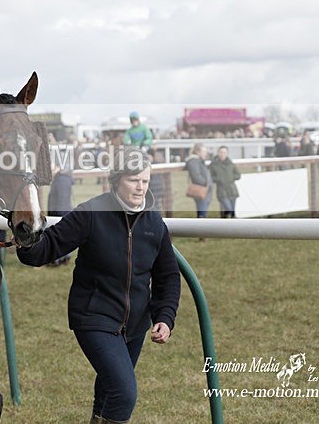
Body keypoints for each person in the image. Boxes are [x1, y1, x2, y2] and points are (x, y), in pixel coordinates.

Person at [16, 148, 180, 423]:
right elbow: (49, 246)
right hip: (94, 317)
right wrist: (26, 241)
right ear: (116, 180)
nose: (140, 187)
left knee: (109, 391)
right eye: (133, 180)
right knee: (124, 393)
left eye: (145, 180)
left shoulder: (154, 222)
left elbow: (168, 276)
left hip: (136, 325)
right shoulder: (91, 213)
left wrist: (165, 317)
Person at [46, 165, 75, 266]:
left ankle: (59, 259)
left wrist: (56, 216)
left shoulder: (61, 180)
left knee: (61, 235)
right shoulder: (60, 179)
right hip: (60, 212)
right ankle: (63, 258)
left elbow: (61, 202)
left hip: (60, 213)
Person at [209, 146, 241, 218]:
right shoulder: (213, 165)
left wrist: (231, 178)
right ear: (218, 153)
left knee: (232, 212)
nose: (222, 154)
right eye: (221, 152)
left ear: (227, 154)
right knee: (228, 209)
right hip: (222, 190)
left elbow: (238, 175)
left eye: (224, 152)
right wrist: (219, 179)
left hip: (232, 190)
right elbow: (210, 177)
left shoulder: (230, 164)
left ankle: (230, 222)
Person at [184, 142, 212, 218]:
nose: (205, 154)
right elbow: (196, 176)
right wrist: (206, 183)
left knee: (203, 212)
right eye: (204, 151)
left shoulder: (199, 160)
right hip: (201, 189)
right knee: (202, 213)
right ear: (198, 152)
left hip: (205, 189)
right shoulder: (193, 161)